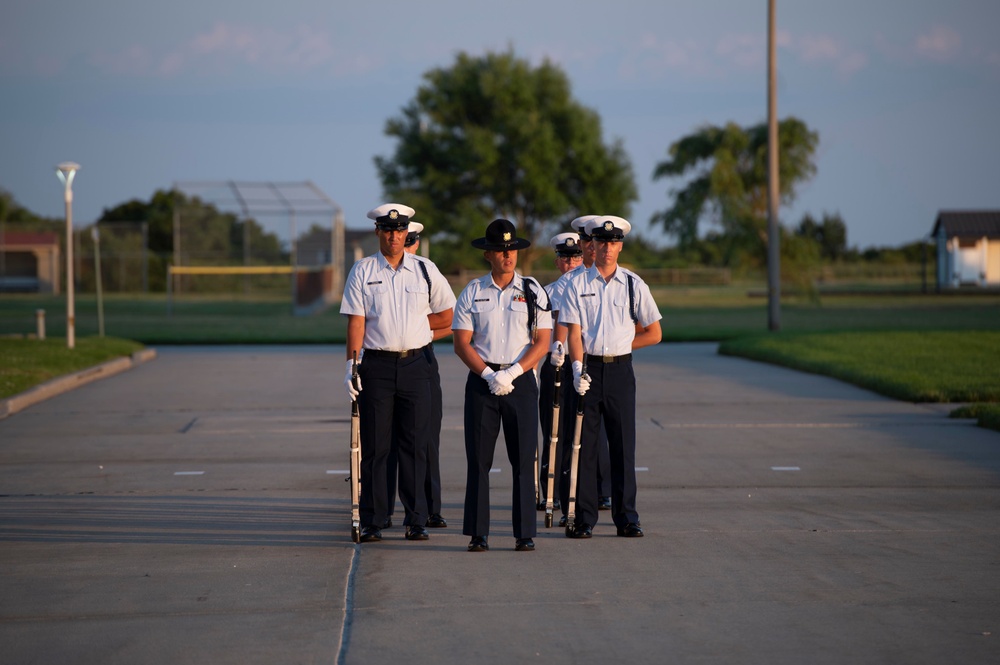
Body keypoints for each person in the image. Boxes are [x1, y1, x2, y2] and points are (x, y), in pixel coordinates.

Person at [340, 204, 456, 543]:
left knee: (416, 444)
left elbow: (448, 314)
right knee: (376, 446)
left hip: (416, 364)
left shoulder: (424, 269)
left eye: (399, 229)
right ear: (378, 232)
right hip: (376, 365)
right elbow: (356, 321)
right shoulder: (362, 271)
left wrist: (417, 327)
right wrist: (351, 364)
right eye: (387, 230)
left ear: (407, 233)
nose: (394, 235)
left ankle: (416, 519)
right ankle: (375, 519)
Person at [560, 215, 662, 539]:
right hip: (588, 370)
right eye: (601, 242)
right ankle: (585, 518)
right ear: (592, 245)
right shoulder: (577, 283)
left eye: (613, 242)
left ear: (620, 246)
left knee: (622, 446)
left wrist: (620, 344)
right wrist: (577, 367)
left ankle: (627, 517)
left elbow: (654, 332)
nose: (606, 248)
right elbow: (574, 334)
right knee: (586, 447)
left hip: (620, 370)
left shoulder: (634, 283)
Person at [452, 218, 552, 552]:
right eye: (500, 250)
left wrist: (512, 373)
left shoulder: (533, 290)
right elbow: (462, 343)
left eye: (511, 249)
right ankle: (478, 533)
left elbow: (542, 341)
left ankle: (525, 533)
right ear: (488, 255)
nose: (507, 255)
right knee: (478, 460)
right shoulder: (473, 291)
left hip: (520, 382)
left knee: (524, 460)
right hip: (483, 383)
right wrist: (489, 375)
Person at [385, 221, 450, 529]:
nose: (407, 244)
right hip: (386, 362)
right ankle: (382, 509)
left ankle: (429, 509)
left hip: (420, 357)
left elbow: (451, 319)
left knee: (423, 439)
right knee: (384, 442)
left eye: (411, 239)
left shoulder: (425, 270)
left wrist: (418, 335)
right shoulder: (380, 271)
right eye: (403, 238)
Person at [569, 215, 613, 513]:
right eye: (586, 242)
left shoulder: (626, 282)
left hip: (612, 365)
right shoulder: (573, 283)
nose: (588, 248)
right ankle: (580, 505)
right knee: (582, 438)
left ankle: (608, 493)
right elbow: (569, 329)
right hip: (581, 363)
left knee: (613, 440)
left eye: (591, 242)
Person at [536, 231, 583, 511]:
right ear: (557, 262)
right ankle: (549, 489)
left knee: (580, 432)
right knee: (552, 431)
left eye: (576, 256)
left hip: (580, 363)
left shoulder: (589, 287)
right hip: (555, 364)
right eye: (565, 258)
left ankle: (583, 490)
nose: (571, 263)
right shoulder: (547, 293)